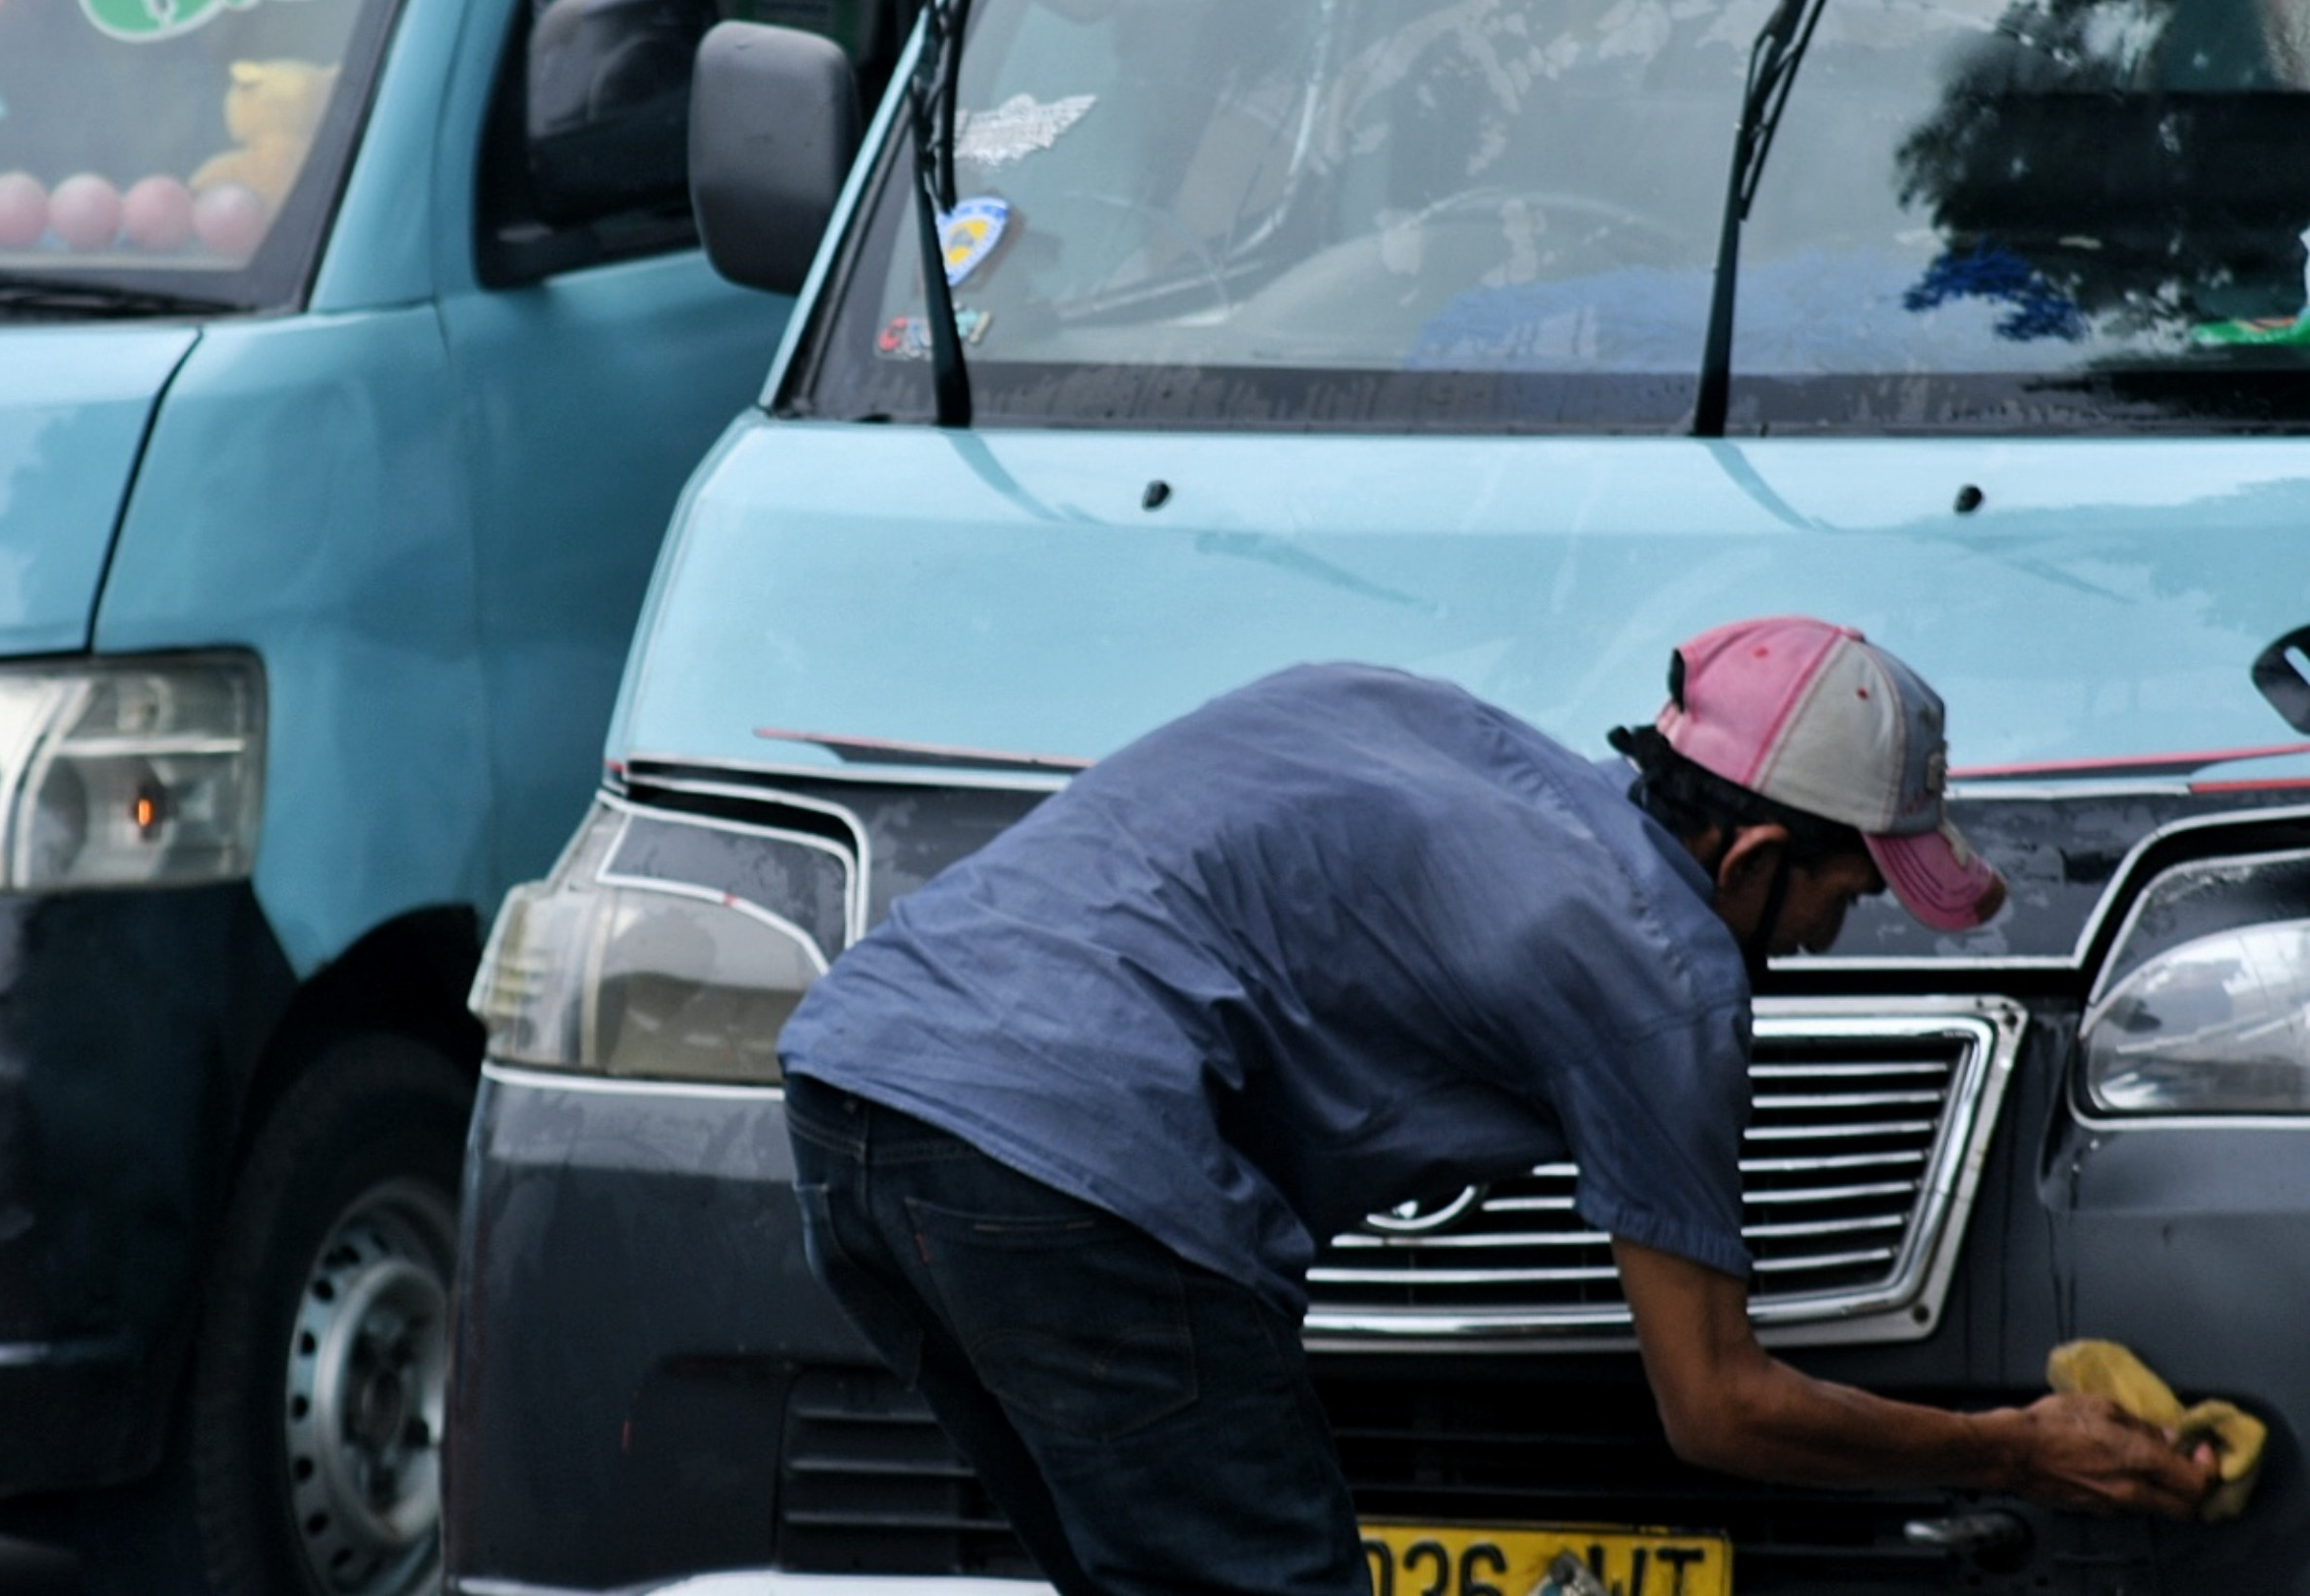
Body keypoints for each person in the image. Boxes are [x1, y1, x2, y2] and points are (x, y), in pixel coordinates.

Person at [777, 616, 2215, 1596]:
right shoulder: (1661, 978)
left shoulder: (1406, 711)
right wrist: (2016, 1448)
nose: (1832, 934)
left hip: (858, 1089)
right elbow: (1716, 1407)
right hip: (1077, 1169)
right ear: (1757, 852)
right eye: (1843, 890)